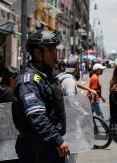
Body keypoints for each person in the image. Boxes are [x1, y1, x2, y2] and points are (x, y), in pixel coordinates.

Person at [12, 29, 70, 163]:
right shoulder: (29, 81)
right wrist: (58, 140)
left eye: (56, 50)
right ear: (38, 53)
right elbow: (37, 116)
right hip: (37, 149)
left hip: (49, 146)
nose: (55, 55)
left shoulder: (45, 77)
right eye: (51, 50)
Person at [0, 66, 19, 163]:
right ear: (11, 79)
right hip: (8, 136)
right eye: (17, 79)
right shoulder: (10, 94)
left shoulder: (0, 90)